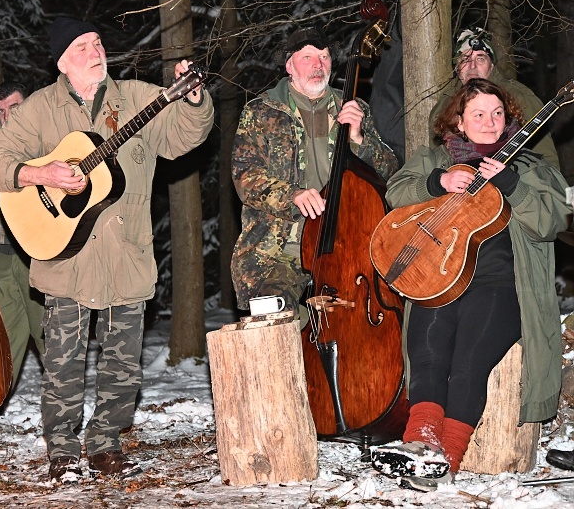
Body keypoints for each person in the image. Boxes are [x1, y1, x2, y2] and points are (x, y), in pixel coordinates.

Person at [0, 16, 213, 483]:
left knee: (122, 364)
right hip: (66, 259)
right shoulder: (40, 109)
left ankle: (107, 442)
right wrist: (40, 175)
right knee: (63, 364)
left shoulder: (139, 98)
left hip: (127, 255)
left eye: (98, 42)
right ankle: (62, 448)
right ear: (63, 62)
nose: (95, 51)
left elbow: (184, 137)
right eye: (82, 47)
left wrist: (195, 100)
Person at [371, 78, 568, 491]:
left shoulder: (531, 167)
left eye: (497, 113)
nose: (489, 121)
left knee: (468, 361)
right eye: (478, 114)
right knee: (427, 353)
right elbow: (395, 192)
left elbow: (553, 221)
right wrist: (436, 183)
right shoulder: (433, 158)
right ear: (459, 121)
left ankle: (447, 458)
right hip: (438, 276)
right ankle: (420, 444)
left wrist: (512, 186)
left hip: (504, 284)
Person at [230, 24, 398, 312]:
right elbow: (245, 177)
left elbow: (390, 174)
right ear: (289, 66)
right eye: (308, 57)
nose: (318, 64)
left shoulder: (353, 108)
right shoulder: (261, 111)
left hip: (346, 247)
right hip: (282, 250)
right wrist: (292, 195)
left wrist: (359, 139)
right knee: (271, 319)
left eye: (324, 57)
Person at [0, 81, 45, 389]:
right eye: (0, 111)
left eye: (14, 109)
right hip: (3, 255)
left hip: (37, 257)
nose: (6, 117)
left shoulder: (46, 144)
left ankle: (66, 407)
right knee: (0, 333)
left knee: (47, 334)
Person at [428, 27, 559, 169]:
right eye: (465, 59)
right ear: (457, 66)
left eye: (480, 58)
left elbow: (545, 155)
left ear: (491, 65)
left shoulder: (517, 97)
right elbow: (435, 152)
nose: (472, 66)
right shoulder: (447, 100)